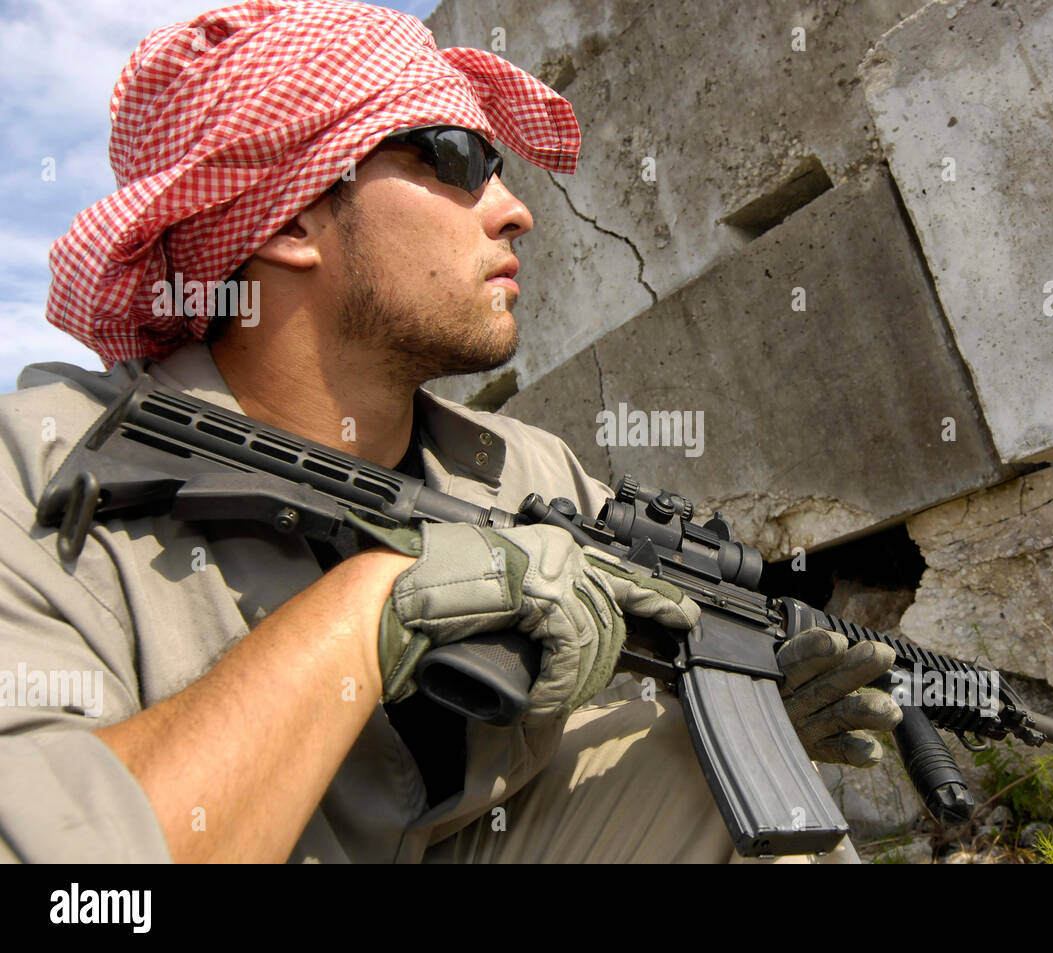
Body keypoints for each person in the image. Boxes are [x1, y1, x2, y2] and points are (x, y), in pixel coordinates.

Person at [0, 0, 901, 863]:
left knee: (720, 786)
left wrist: (740, 683)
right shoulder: (33, 477)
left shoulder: (524, 467)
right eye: (458, 158)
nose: (514, 209)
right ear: (294, 219)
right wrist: (369, 611)